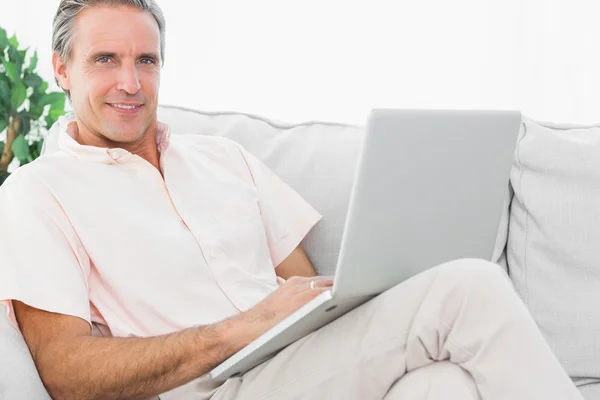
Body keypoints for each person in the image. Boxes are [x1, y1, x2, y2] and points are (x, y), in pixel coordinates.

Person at [0, 1, 583, 399]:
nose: (130, 82)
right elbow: (64, 369)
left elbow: (304, 294)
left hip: (295, 368)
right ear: (61, 69)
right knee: (468, 286)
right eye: (106, 59)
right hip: (208, 387)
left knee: (442, 387)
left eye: (145, 60)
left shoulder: (223, 159)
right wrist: (235, 331)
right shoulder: (37, 193)